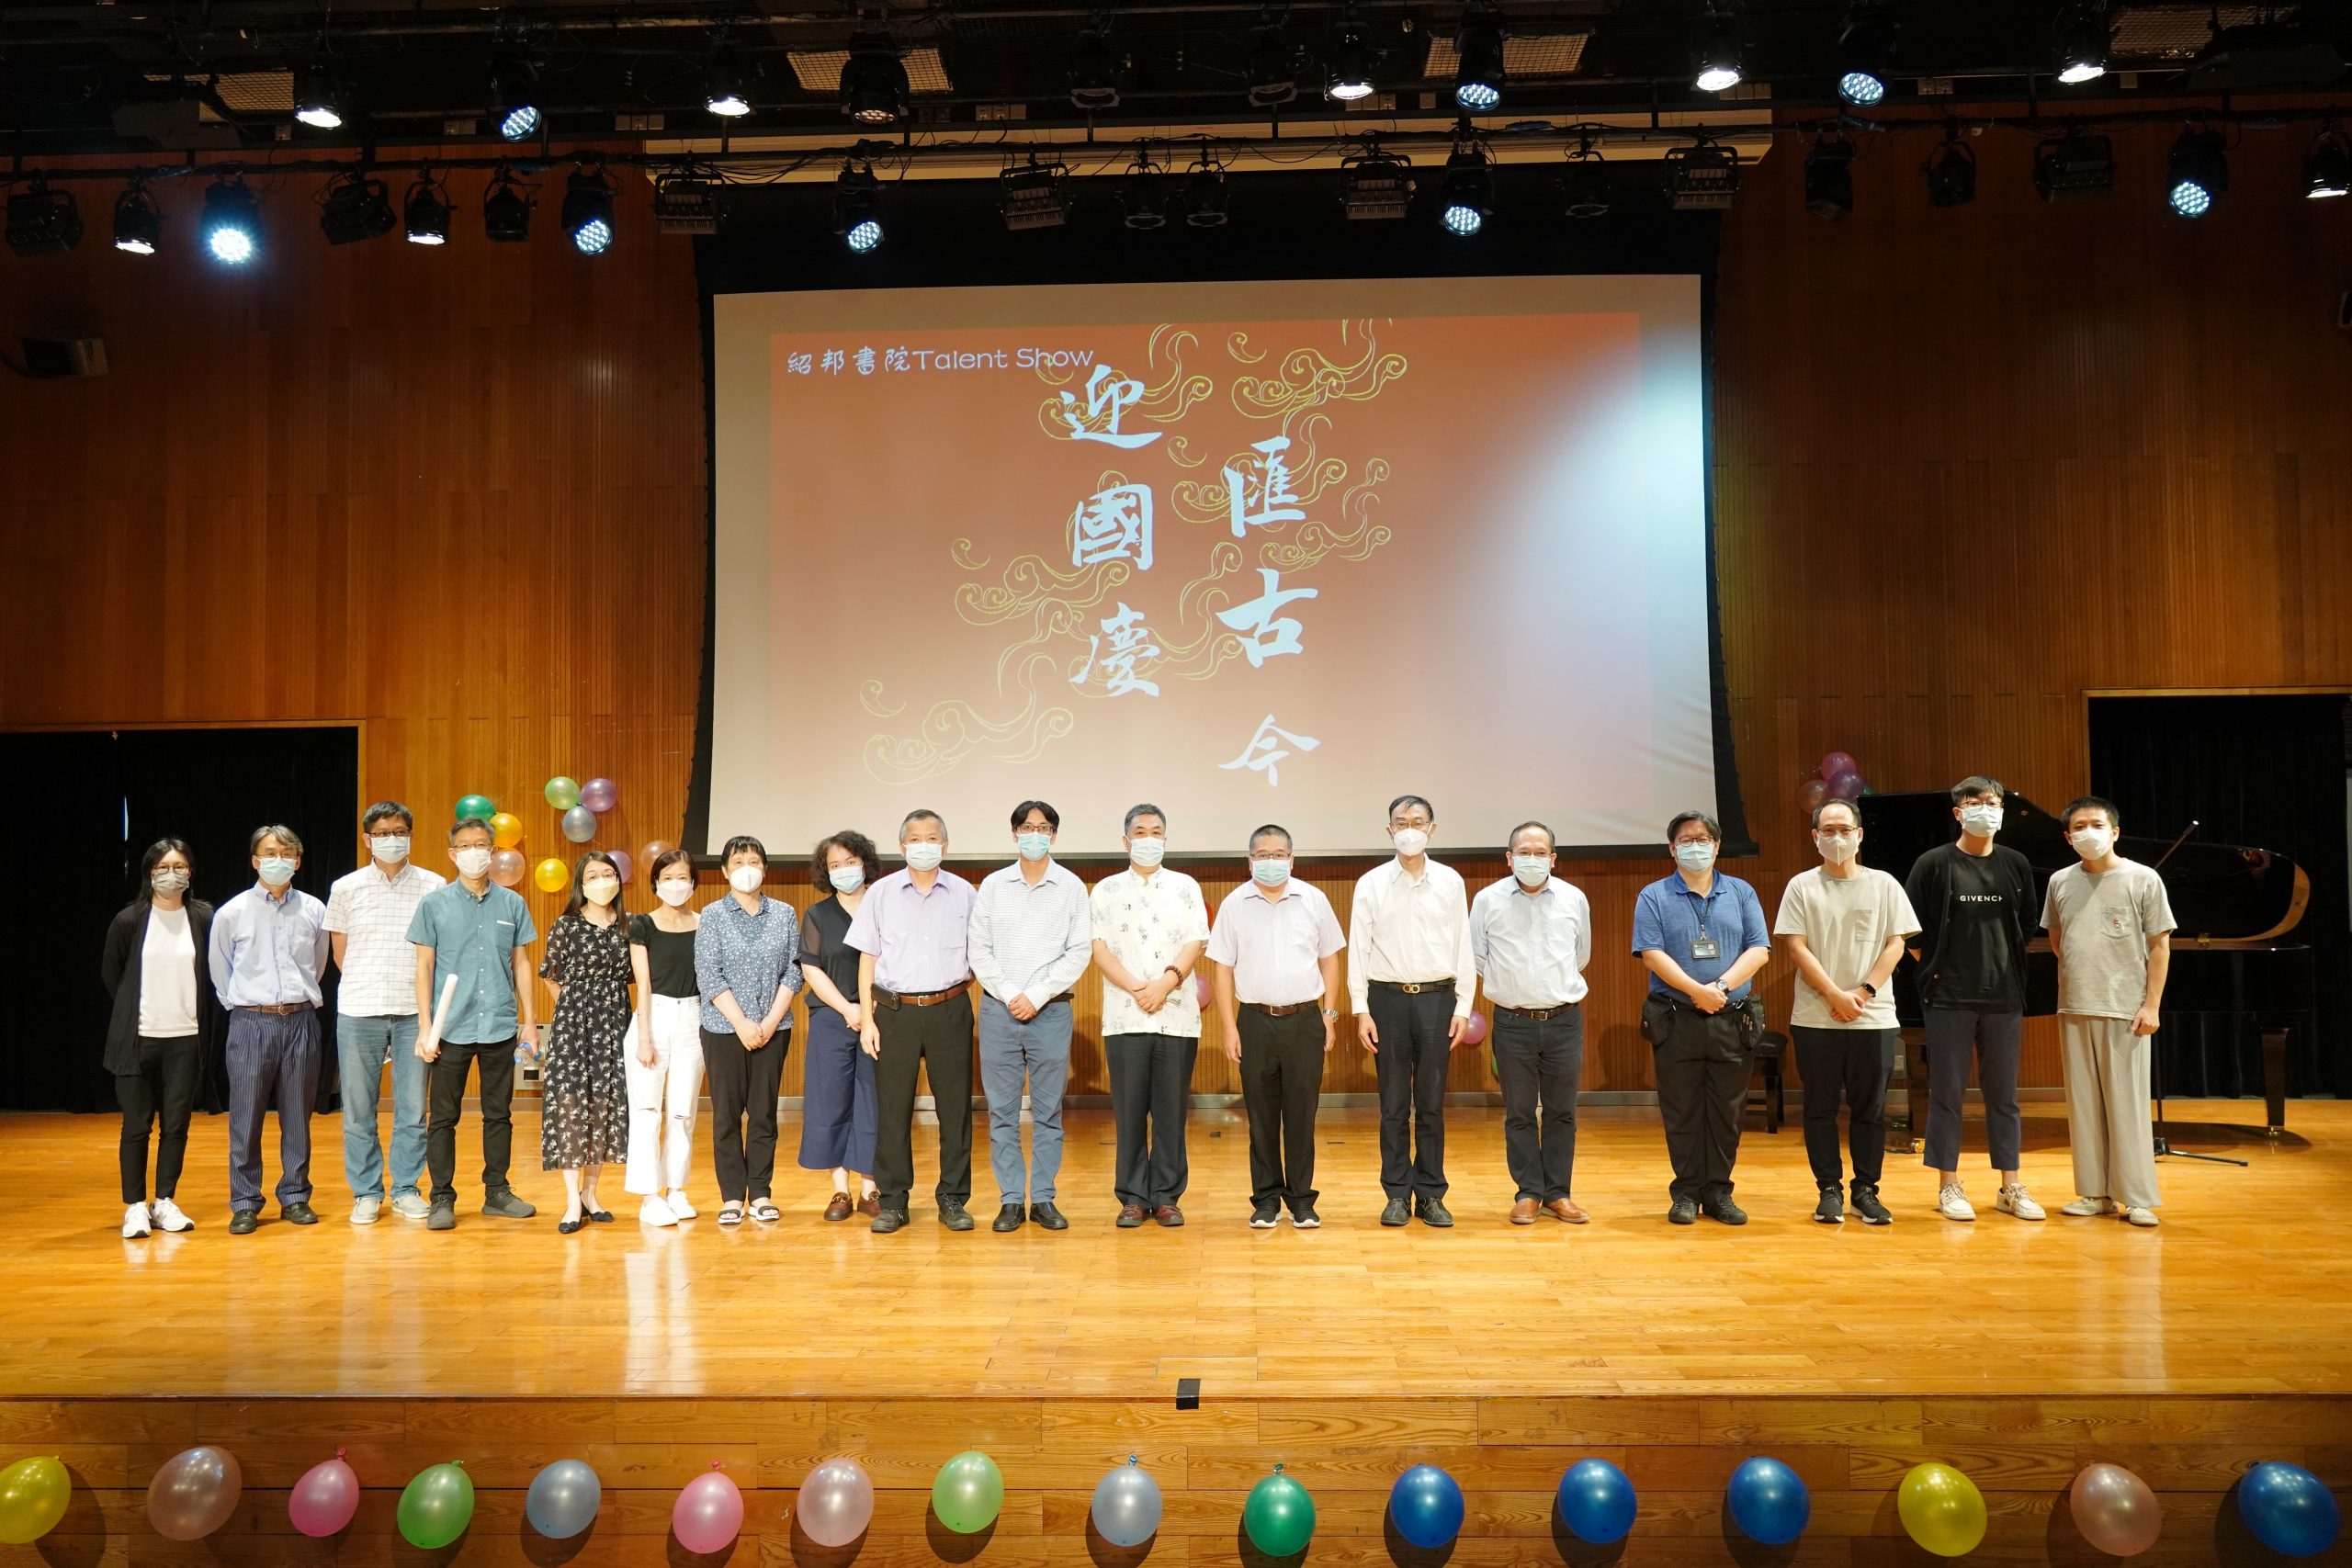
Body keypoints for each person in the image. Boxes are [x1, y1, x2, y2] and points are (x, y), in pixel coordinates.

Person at [1903, 775, 2043, 1224]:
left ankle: (2010, 1186)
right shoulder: (1933, 863)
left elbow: (2026, 925)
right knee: (1947, 1092)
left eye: (1994, 802)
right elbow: (1911, 929)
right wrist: (1937, 967)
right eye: (1976, 802)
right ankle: (1949, 1184)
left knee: (2004, 1095)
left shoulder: (2015, 863)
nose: (1987, 808)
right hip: (1948, 996)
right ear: (1958, 812)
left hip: (2004, 994)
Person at [1773, 798, 1919, 1226]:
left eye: (1844, 830)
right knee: (1819, 1108)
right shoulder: (1802, 886)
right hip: (1816, 1016)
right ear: (1815, 837)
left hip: (1874, 1016)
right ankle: (1829, 1190)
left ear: (1859, 835)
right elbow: (1796, 946)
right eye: (1828, 831)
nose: (1837, 838)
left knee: (1870, 1109)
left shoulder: (1884, 884)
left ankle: (1866, 1191)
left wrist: (1864, 991)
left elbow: (1897, 943)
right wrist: (1835, 995)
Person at [1632, 810, 1771, 1226]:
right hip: (1677, 1019)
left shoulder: (1741, 892)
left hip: (1732, 1019)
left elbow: (1759, 949)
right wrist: (1697, 991)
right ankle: (1686, 1193)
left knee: (1728, 1111)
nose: (1695, 847)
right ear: (1672, 849)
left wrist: (1720, 988)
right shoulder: (1653, 896)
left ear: (1717, 846)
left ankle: (1719, 1192)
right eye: (1686, 841)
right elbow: (1651, 954)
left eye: (1703, 839)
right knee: (1682, 1110)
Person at [2042, 796, 2175, 1229]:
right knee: (2083, 1106)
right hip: (2075, 1004)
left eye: (2096, 825)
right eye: (2079, 826)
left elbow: (2160, 947)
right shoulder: (2060, 881)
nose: (2088, 832)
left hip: (2125, 1010)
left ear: (2115, 831)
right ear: (2068, 837)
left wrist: (2151, 1005)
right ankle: (2094, 1194)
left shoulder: (2143, 878)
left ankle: (2136, 1197)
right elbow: (2058, 939)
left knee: (2127, 1106)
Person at [1206, 824, 1344, 1230]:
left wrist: (1330, 1015)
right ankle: (1266, 1200)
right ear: (1250, 860)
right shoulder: (1234, 904)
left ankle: (1302, 1200)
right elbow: (1222, 969)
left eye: (1279, 854)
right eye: (1263, 855)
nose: (1271, 861)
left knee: (1302, 1114)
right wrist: (1229, 1027)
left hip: (1305, 1020)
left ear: (1292, 859)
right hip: (1254, 1021)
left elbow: (1330, 959)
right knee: (1261, 1115)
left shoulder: (1314, 900)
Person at [849, 809, 978, 1235]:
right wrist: (867, 1018)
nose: (925, 846)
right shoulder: (881, 893)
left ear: (946, 845)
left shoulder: (965, 893)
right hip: (894, 1012)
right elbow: (867, 958)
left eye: (933, 838)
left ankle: (953, 1198)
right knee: (892, 1109)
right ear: (903, 846)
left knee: (955, 1109)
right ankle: (893, 1201)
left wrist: (952, 988)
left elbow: (979, 955)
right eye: (916, 839)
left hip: (949, 1009)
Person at [1350, 794, 1476, 1228]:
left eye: (1417, 822)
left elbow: (1463, 945)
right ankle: (1396, 1195)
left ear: (1431, 829)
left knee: (1432, 1103)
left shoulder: (1450, 881)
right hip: (1386, 1000)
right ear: (1389, 830)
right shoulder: (1370, 884)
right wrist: (1360, 1009)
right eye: (1401, 823)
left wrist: (1464, 1005)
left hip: (1438, 1000)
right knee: (1392, 1104)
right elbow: (1358, 950)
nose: (1409, 830)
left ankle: (1432, 1194)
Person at [408, 816, 540, 1231]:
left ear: (493, 851)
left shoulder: (512, 904)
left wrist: (530, 1022)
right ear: (453, 854)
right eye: (465, 846)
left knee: (498, 1114)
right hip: (450, 1029)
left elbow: (521, 963)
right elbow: (423, 967)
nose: (474, 852)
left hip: (499, 1024)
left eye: (481, 845)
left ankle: (497, 1192)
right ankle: (441, 1198)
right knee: (443, 1118)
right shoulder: (434, 905)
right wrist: (425, 1026)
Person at [968, 800, 1092, 1233]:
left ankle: (1042, 1199)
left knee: (1048, 1112)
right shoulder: (993, 885)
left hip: (1051, 1011)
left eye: (1042, 828)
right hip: (998, 1010)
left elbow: (1079, 951)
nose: (1034, 835)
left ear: (1054, 835)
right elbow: (979, 949)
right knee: (1001, 1113)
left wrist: (1036, 995)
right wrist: (1010, 994)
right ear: (1014, 834)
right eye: (1026, 827)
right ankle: (1009, 1201)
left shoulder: (1072, 887)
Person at [323, 801, 444, 1224]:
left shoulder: (434, 884)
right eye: (382, 833)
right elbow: (340, 953)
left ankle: (407, 1188)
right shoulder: (346, 887)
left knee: (412, 1110)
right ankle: (366, 1193)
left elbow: (437, 950)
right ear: (367, 839)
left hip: (415, 1012)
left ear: (411, 835)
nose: (392, 839)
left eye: (399, 832)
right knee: (359, 1110)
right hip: (359, 1010)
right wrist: (370, 983)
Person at [1090, 804, 1209, 1228]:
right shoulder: (1105, 890)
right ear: (1126, 841)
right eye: (1140, 832)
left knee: (1171, 1112)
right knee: (1129, 1112)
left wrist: (1165, 984)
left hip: (1176, 1015)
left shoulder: (1185, 886)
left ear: (1166, 839)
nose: (1148, 839)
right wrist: (1137, 988)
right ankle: (1134, 1197)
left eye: (1156, 832)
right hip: (1125, 1016)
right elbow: (1099, 948)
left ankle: (1167, 1196)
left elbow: (1195, 941)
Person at [208, 825, 331, 1235]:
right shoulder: (232, 912)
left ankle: (295, 1195)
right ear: (255, 860)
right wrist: (246, 1005)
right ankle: (245, 1201)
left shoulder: (314, 909)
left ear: (298, 861)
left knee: (298, 1115)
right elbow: (220, 970)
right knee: (245, 1116)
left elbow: (317, 963)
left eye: (286, 853)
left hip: (300, 1019)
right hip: (251, 1021)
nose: (278, 860)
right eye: (269, 853)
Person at [1469, 821, 1591, 1226]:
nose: (1532, 859)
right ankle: (1527, 1193)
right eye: (1524, 852)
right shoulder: (1487, 900)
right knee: (1519, 1111)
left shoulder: (1574, 898)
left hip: (1564, 1020)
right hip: (1513, 1021)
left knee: (1562, 1111)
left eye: (1541, 853)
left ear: (1553, 859)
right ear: (1509, 858)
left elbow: (1581, 955)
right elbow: (1478, 957)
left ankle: (1558, 1193)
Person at [102, 839, 219, 1238]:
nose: (172, 874)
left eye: (180, 866)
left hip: (186, 1039)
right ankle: (135, 1206)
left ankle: (164, 1200)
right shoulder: (129, 920)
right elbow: (113, 975)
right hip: (138, 1039)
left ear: (191, 871)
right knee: (136, 1126)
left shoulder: (203, 918)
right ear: (149, 873)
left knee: (176, 1126)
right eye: (163, 867)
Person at [692, 835, 800, 1226]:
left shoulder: (784, 913)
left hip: (774, 1027)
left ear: (765, 869)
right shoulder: (712, 915)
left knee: (763, 1112)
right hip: (723, 1028)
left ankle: (761, 1192)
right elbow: (709, 974)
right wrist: (741, 1022)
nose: (747, 869)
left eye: (753, 861)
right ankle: (732, 1196)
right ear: (725, 871)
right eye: (738, 863)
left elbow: (794, 969)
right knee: (726, 1114)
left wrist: (768, 1022)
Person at [539, 852, 633, 1233]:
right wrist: (573, 1007)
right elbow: (550, 974)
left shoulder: (629, 925)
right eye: (593, 875)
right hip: (574, 1026)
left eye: (608, 874)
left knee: (605, 1107)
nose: (602, 881)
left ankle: (591, 1194)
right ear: (580, 883)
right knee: (572, 1106)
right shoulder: (567, 925)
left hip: (616, 1024)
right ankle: (570, 1201)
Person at [797, 831, 882, 1221]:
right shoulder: (817, 915)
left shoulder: (883, 906)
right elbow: (811, 969)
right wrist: (848, 1009)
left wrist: (869, 1009)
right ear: (825, 872)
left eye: (850, 862)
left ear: (865, 864)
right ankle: (840, 1190)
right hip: (832, 1017)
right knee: (830, 1099)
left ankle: (870, 1188)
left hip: (879, 1015)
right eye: (835, 865)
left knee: (872, 1099)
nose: (843, 870)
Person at [628, 849, 705, 1225]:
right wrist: (645, 1036)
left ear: (693, 882)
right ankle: (649, 1196)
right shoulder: (642, 925)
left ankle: (676, 1189)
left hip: (694, 1016)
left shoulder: (705, 923)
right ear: (656, 883)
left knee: (682, 1110)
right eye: (668, 878)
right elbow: (642, 984)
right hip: (653, 1015)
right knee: (646, 1110)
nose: (676, 884)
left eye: (682, 877)